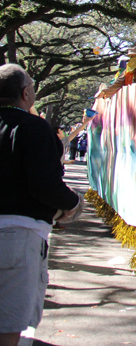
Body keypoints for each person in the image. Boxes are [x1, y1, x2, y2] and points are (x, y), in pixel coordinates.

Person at [0, 64, 83, 346]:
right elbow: (44, 185)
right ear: (25, 93)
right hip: (16, 237)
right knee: (9, 324)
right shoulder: (34, 128)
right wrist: (72, 203)